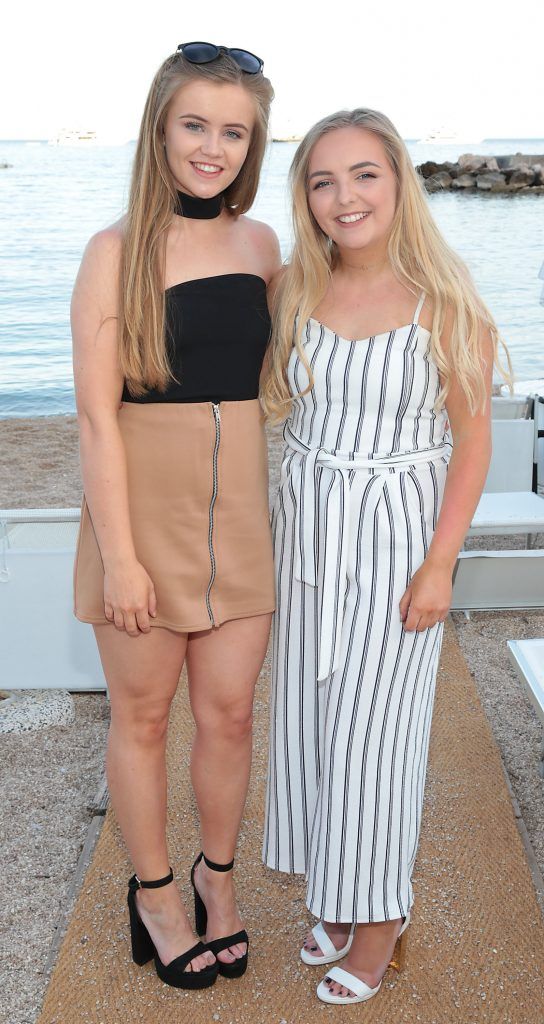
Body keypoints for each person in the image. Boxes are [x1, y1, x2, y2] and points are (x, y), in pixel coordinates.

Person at [261, 108, 511, 1005]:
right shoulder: (293, 287)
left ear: (399, 180)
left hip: (399, 540)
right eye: (323, 180)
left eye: (364, 174)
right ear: (307, 196)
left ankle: (379, 920)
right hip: (306, 533)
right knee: (312, 723)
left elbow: (473, 444)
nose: (344, 196)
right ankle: (337, 886)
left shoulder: (445, 300)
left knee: (379, 740)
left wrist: (440, 564)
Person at [72, 42, 280, 990]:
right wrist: (119, 557)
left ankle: (217, 880)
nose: (213, 147)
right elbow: (93, 417)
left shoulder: (262, 245)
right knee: (145, 716)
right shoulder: (112, 253)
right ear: (160, 127)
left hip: (239, 512)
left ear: (253, 141)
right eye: (195, 124)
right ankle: (155, 893)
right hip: (142, 520)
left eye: (233, 130)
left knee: (231, 715)